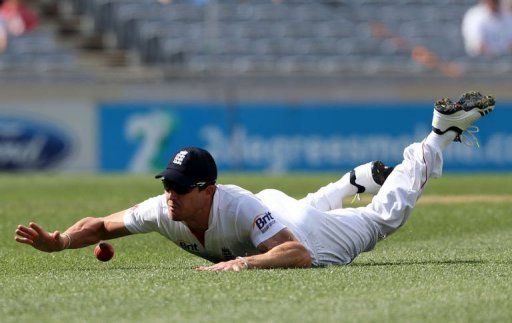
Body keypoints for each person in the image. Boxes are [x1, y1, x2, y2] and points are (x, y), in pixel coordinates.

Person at [14, 91, 496, 271]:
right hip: (275, 211)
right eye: (168, 184)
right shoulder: (164, 211)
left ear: (207, 190)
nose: (170, 195)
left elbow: (299, 253)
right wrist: (59, 241)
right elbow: (100, 225)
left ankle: (435, 136)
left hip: (294, 228)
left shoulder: (236, 205)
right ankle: (349, 183)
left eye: (180, 188)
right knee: (298, 211)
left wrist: (243, 266)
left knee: (379, 221)